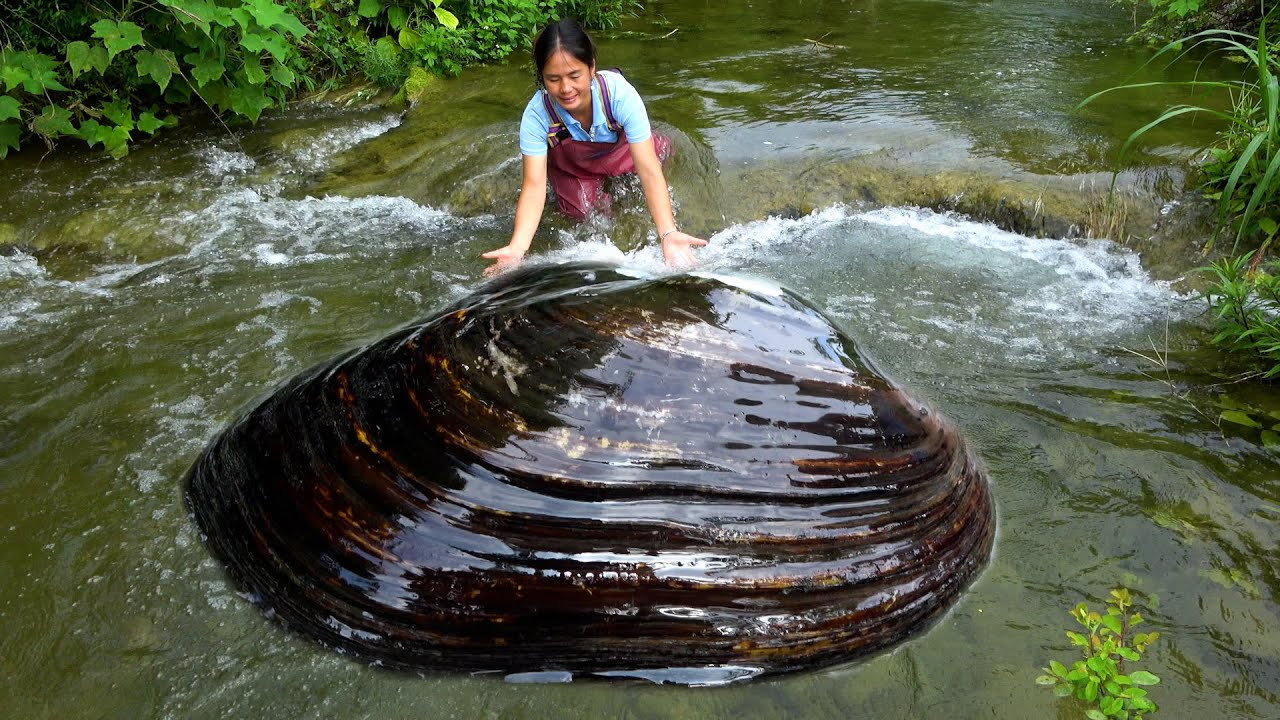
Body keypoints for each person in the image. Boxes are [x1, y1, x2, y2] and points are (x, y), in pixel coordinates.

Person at [482, 18, 706, 273]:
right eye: (553, 79)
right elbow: (533, 186)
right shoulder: (537, 115)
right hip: (574, 167)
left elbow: (648, 169)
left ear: (591, 68)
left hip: (622, 153)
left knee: (658, 156)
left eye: (574, 75)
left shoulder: (619, 96)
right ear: (542, 78)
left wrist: (668, 233)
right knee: (583, 216)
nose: (565, 88)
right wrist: (517, 248)